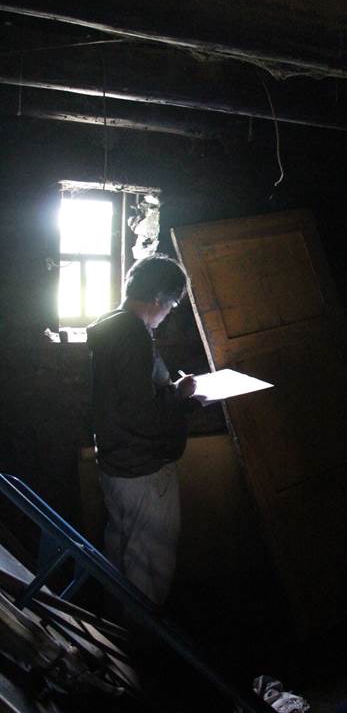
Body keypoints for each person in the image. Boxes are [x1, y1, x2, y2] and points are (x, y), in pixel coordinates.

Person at [86, 253, 198, 607]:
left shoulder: (112, 325)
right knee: (149, 566)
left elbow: (125, 401)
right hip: (143, 471)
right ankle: (141, 637)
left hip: (117, 464)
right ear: (159, 299)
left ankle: (116, 630)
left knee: (121, 554)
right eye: (172, 305)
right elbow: (141, 414)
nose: (169, 314)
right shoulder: (133, 336)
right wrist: (180, 397)